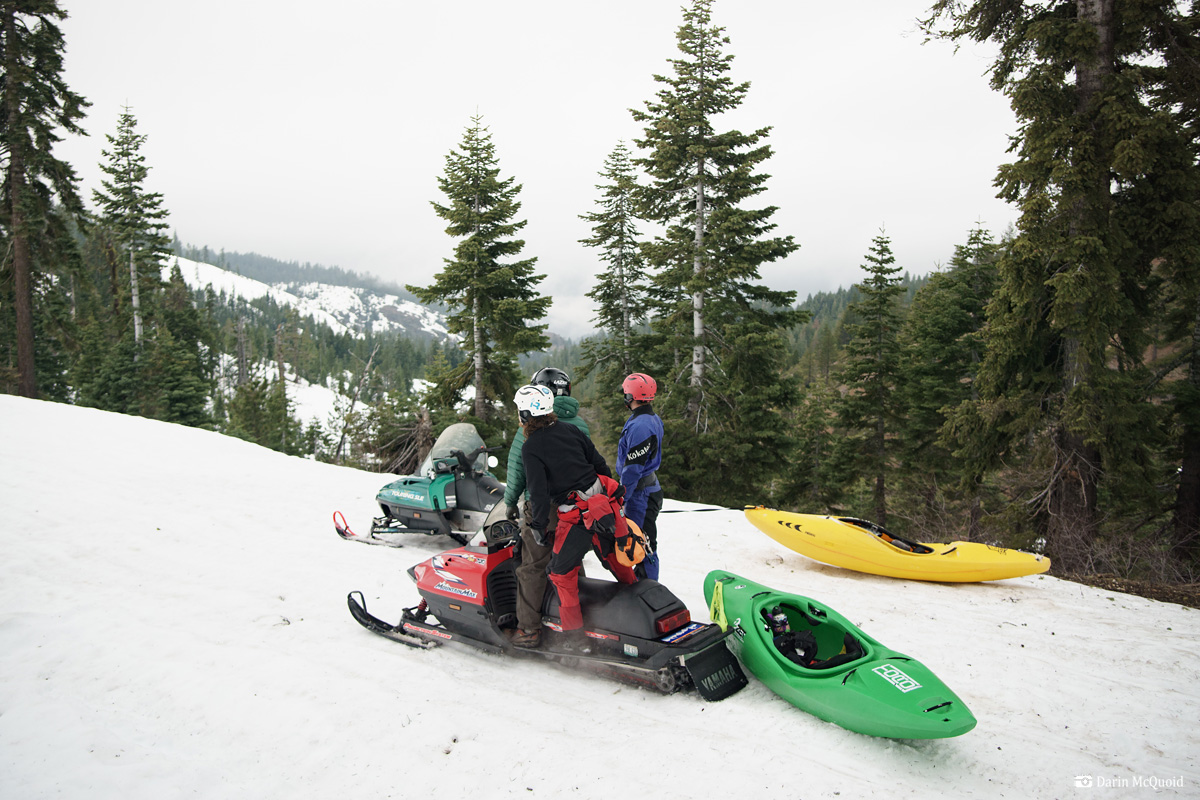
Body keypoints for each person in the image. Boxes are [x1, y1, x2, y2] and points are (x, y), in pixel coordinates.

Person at [517, 384, 637, 650]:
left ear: (526, 414)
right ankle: (639, 606)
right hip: (604, 507)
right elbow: (600, 465)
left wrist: (538, 526)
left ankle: (574, 638)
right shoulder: (570, 430)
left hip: (576, 517)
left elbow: (537, 493)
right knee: (615, 560)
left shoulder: (531, 447)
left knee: (561, 574)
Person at [502, 368, 590, 648]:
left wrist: (509, 503)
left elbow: (517, 470)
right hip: (576, 505)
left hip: (542, 508)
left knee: (533, 566)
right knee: (570, 563)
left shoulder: (529, 428)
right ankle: (580, 622)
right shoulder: (579, 424)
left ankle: (528, 630)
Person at [617, 372, 665, 580]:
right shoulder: (648, 418)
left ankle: (649, 588)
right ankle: (642, 582)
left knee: (642, 542)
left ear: (631, 396)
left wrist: (622, 496)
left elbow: (633, 468)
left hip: (641, 494)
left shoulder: (641, 425)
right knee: (641, 540)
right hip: (644, 490)